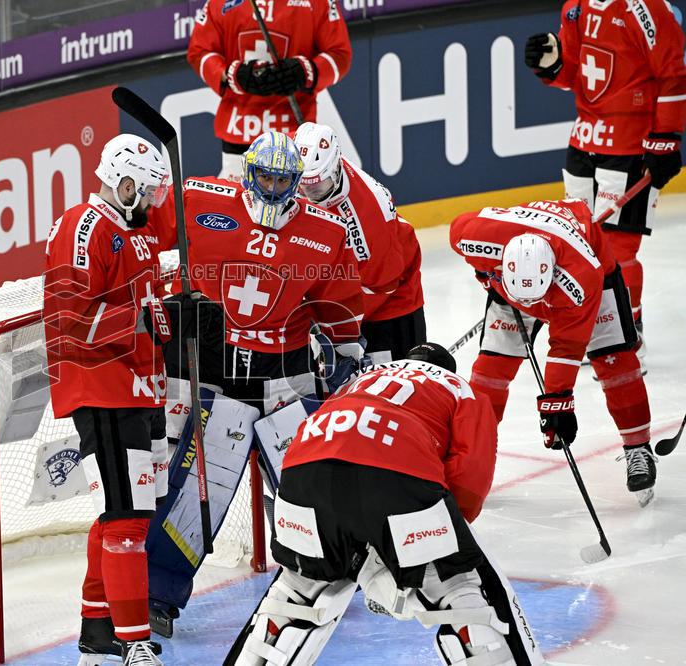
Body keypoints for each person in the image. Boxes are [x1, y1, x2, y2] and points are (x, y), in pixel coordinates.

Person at [146, 130, 365, 637]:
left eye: (281, 179)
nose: (270, 186)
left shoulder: (325, 232)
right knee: (195, 497)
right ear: (247, 172)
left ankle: (337, 571)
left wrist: (346, 354)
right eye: (262, 175)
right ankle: (157, 592)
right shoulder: (201, 199)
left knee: (310, 487)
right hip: (220, 383)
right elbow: (146, 230)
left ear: (296, 182)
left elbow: (342, 308)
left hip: (286, 383)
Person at [226, 343, 545, 666]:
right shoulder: (460, 388)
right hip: (396, 472)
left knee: (297, 590)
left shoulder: (360, 380)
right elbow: (469, 481)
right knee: (457, 591)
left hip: (302, 474)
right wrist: (430, 549)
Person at [43, 133, 191, 665]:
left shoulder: (137, 233)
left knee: (125, 514)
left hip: (138, 388)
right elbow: (71, 320)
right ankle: (134, 645)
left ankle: (98, 629)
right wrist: (145, 319)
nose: (153, 203)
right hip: (100, 388)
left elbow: (144, 307)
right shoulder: (84, 227)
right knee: (126, 518)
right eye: (148, 192)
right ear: (124, 183)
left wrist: (174, 308)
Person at [449, 198, 655, 506]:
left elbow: (566, 347)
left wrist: (556, 406)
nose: (534, 310)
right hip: (510, 288)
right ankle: (472, 458)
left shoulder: (580, 280)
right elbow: (468, 248)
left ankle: (638, 448)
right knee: (489, 372)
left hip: (590, 272)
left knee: (615, 362)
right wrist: (488, 276)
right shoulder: (472, 236)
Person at [524, 1, 686, 354]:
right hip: (583, 140)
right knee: (582, 242)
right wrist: (553, 63)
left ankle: (627, 336)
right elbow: (576, 75)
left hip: (632, 144)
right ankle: (596, 327)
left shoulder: (648, 8)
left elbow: (673, 73)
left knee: (619, 249)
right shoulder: (575, 6)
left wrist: (666, 138)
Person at [293, 121, 425, 363]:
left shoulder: (368, 217)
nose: (306, 194)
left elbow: (382, 285)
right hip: (345, 280)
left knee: (384, 385)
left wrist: (326, 321)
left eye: (316, 187)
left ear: (334, 170)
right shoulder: (305, 153)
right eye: (300, 183)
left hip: (389, 304)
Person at [186, 0, 351, 180]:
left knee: (293, 206)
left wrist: (305, 72)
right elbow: (199, 50)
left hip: (294, 136)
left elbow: (339, 54)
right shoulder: (219, 3)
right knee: (239, 207)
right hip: (240, 131)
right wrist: (228, 75)